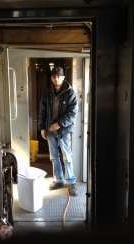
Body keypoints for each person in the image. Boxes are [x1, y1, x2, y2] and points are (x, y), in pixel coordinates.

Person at [38, 66, 77, 196]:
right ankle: (58, 180)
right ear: (51, 78)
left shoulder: (70, 92)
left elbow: (72, 113)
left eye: (59, 76)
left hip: (64, 130)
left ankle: (71, 182)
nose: (56, 78)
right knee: (54, 157)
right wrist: (42, 128)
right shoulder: (47, 92)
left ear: (63, 77)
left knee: (67, 157)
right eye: (54, 76)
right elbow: (42, 111)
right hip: (50, 130)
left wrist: (59, 124)